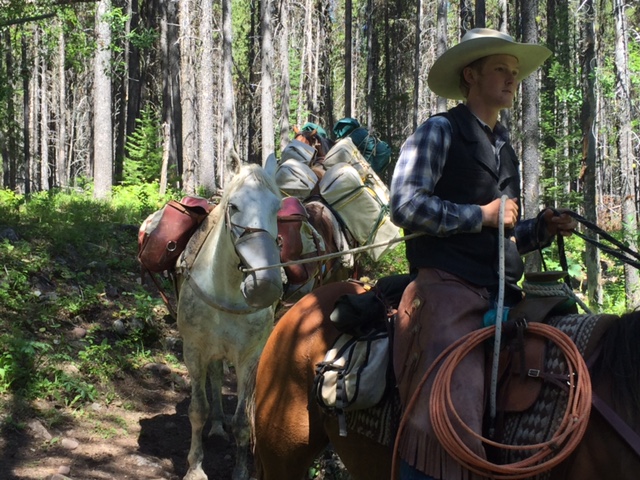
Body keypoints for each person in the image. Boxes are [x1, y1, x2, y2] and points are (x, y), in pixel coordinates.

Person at [389, 28, 578, 480]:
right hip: (448, 285)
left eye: (515, 73)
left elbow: (504, 233)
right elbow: (404, 204)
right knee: (449, 406)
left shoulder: (505, 148)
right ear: (471, 75)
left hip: (503, 289)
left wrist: (539, 230)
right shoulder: (440, 130)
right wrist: (482, 216)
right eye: (501, 69)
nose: (512, 79)